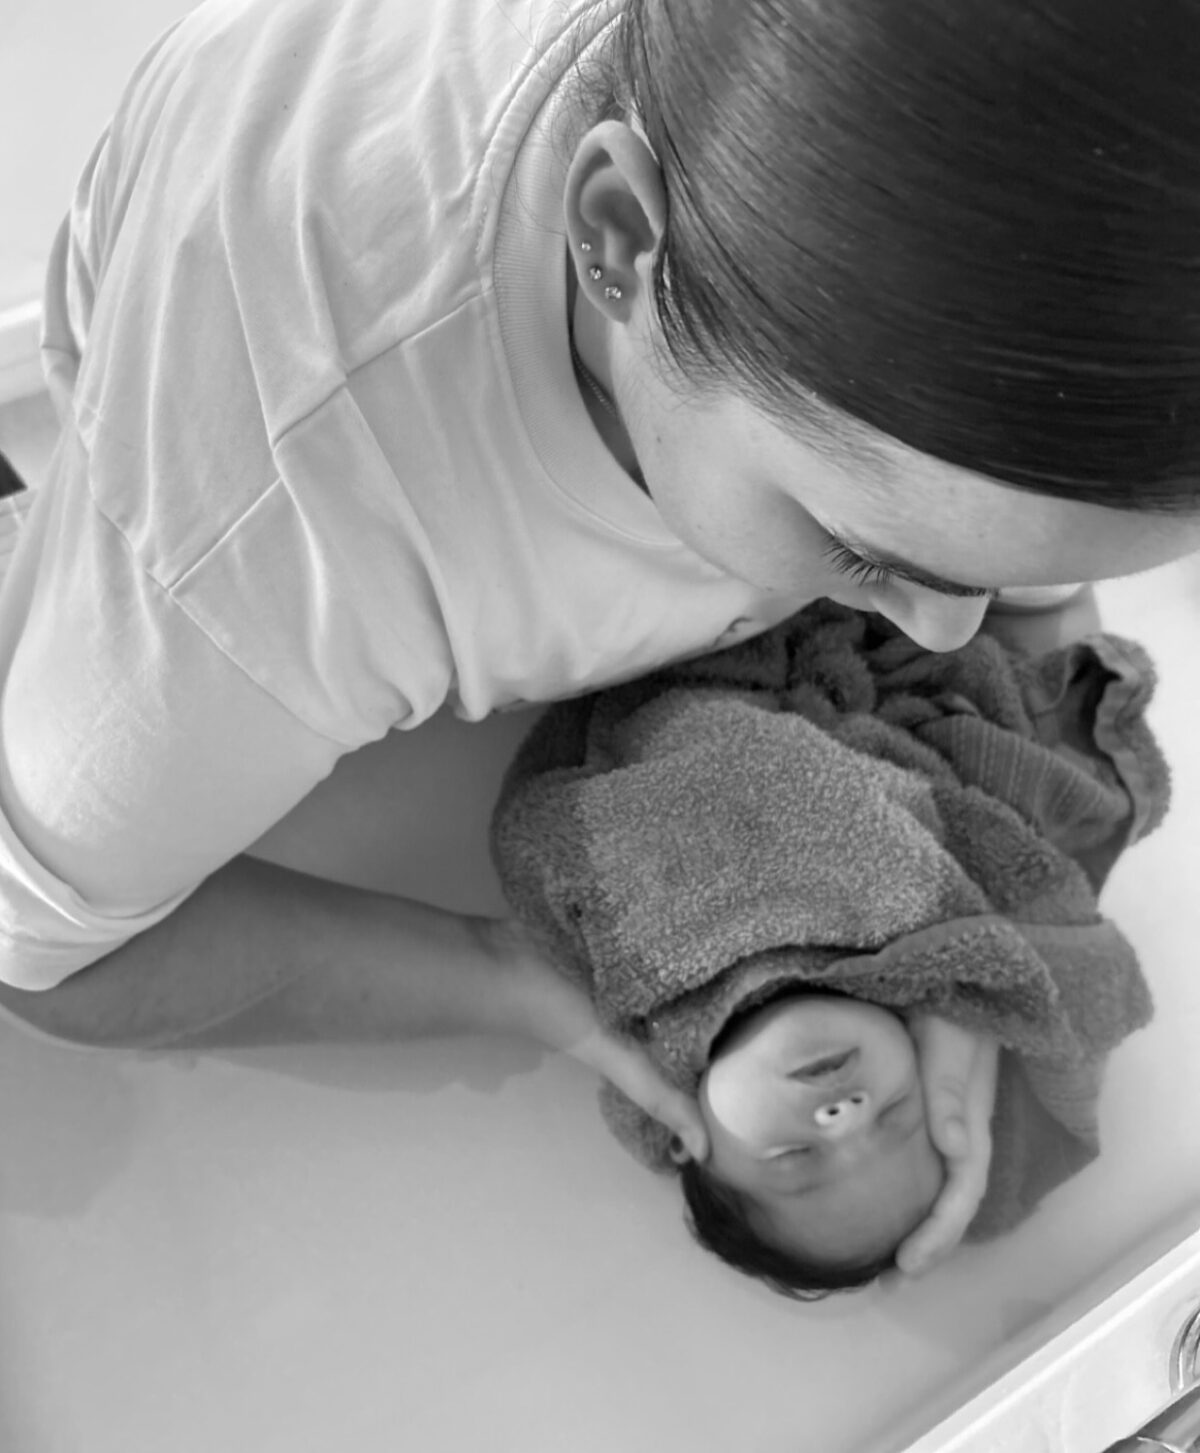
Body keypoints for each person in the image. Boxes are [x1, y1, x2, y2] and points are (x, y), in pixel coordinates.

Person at [0, 0, 1197, 1281]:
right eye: (868, 553)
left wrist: (982, 934)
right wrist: (510, 977)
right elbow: (42, 958)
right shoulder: (273, 549)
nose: (957, 630)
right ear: (617, 240)